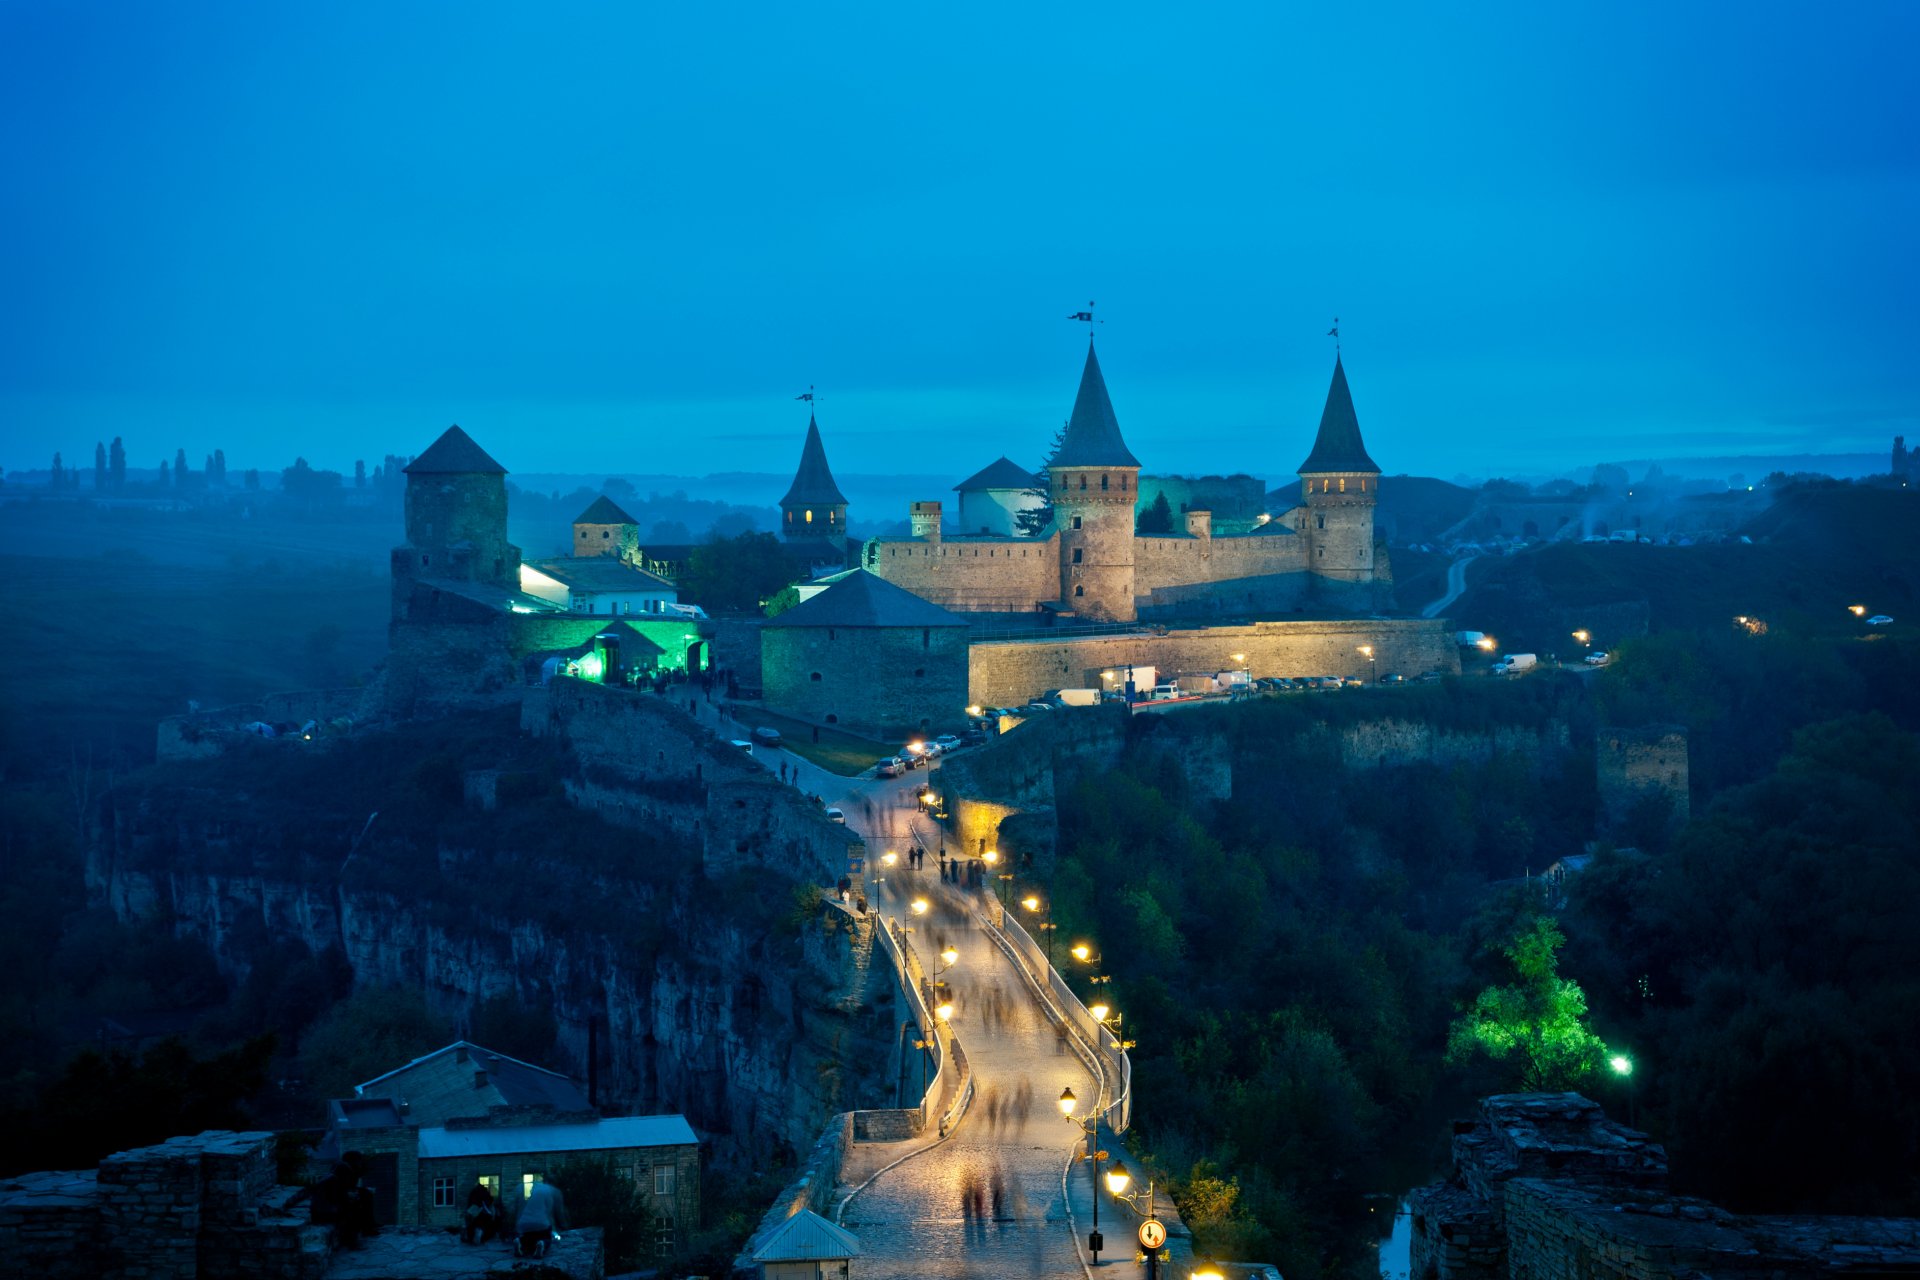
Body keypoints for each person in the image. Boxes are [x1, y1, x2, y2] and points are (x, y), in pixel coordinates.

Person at [310, 1151, 378, 1248]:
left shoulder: (339, 1166)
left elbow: (343, 1190)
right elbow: (342, 1195)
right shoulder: (344, 1168)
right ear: (353, 1161)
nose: (360, 1163)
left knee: (364, 1195)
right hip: (325, 1210)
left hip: (322, 1207)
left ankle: (368, 1227)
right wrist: (353, 1198)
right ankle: (352, 1241)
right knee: (354, 1208)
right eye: (359, 1161)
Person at [515, 1178, 567, 1259]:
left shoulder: (534, 1192)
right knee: (547, 1237)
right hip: (541, 1224)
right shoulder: (551, 1191)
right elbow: (551, 1214)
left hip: (524, 1223)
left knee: (528, 1237)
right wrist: (560, 1226)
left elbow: (521, 1208)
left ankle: (520, 1242)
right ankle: (543, 1243)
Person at [462, 1180, 499, 1245]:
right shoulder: (484, 1191)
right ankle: (480, 1234)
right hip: (483, 1210)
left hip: (472, 1210)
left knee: (471, 1225)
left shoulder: (473, 1191)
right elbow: (490, 1200)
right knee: (485, 1225)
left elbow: (469, 1203)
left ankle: (469, 1236)